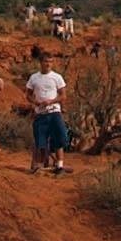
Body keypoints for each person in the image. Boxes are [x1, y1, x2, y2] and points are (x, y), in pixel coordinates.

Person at [24, 47, 70, 176]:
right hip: (41, 113)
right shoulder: (34, 77)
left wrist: (52, 101)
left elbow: (63, 95)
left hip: (54, 112)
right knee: (41, 141)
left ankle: (59, 166)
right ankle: (39, 166)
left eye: (50, 61)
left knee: (60, 138)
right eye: (45, 61)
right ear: (41, 62)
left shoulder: (57, 77)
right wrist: (36, 102)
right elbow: (28, 94)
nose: (48, 64)